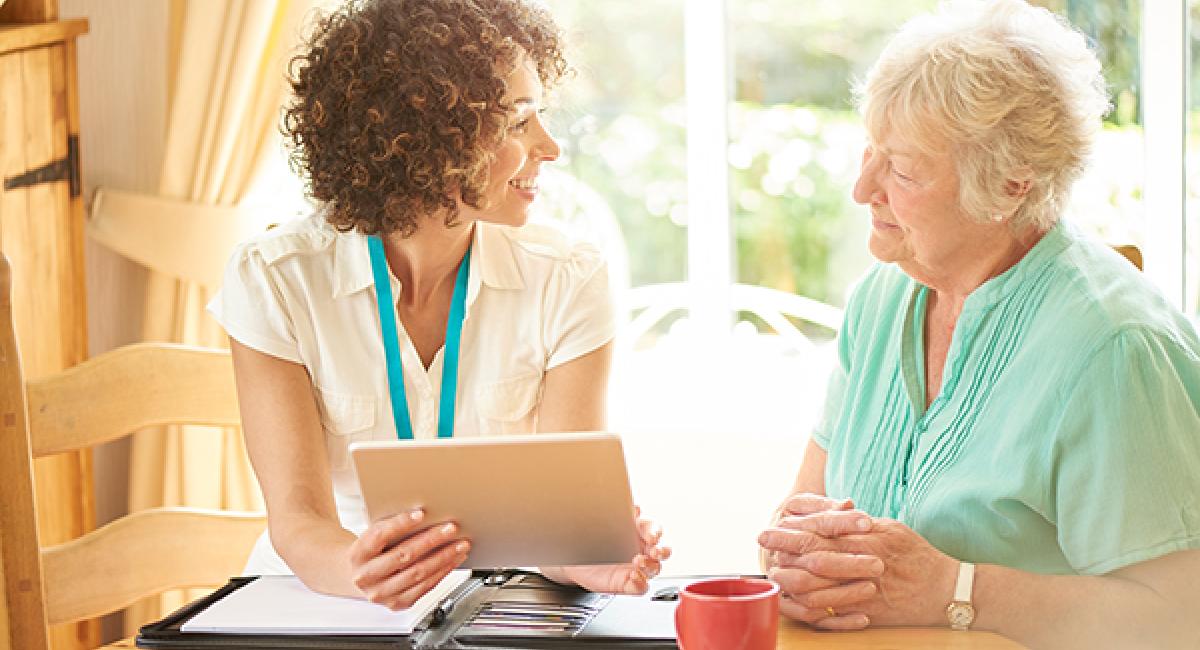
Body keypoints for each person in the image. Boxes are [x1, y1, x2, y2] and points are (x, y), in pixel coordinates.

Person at [756, 1, 1200, 648]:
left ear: (1011, 186)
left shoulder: (1114, 349)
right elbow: (802, 509)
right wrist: (794, 559)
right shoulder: (879, 301)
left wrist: (954, 592)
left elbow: (1178, 618)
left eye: (903, 170)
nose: (862, 189)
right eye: (869, 152)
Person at [208, 0, 667, 610]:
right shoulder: (275, 278)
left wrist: (588, 557)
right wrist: (363, 571)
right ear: (426, 137)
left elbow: (560, 523)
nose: (550, 148)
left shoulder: (569, 279)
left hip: (490, 608)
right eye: (516, 123)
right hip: (317, 603)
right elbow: (297, 522)